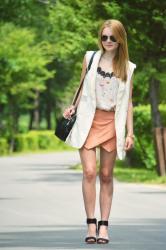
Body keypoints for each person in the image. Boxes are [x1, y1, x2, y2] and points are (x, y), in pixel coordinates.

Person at [63, 19, 136, 244]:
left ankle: (104, 226)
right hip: (88, 119)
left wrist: (130, 133)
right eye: (104, 37)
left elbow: (129, 102)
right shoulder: (90, 58)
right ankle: (90, 224)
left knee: (106, 175)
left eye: (112, 38)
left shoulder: (128, 67)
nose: (108, 41)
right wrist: (72, 106)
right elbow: (82, 85)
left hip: (112, 124)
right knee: (89, 172)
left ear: (120, 39)